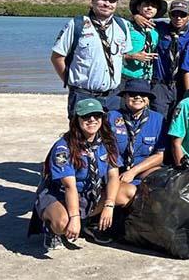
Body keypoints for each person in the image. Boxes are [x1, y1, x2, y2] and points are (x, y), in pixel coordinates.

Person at [32, 99, 133, 250]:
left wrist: (109, 205)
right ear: (76, 120)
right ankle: (51, 230)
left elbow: (113, 176)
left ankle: (91, 224)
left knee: (129, 192)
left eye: (96, 115)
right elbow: (68, 187)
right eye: (86, 116)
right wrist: (74, 217)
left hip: (91, 194)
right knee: (63, 224)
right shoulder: (63, 147)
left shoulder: (108, 142)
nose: (92, 120)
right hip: (60, 195)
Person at [51, 0, 132, 114]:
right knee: (81, 134)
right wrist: (71, 83)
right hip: (83, 95)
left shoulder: (122, 25)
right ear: (93, 0)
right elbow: (57, 57)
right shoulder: (77, 24)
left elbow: (122, 55)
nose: (107, 4)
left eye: (112, 1)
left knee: (113, 134)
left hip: (113, 97)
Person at [146, 0, 189, 120]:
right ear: (169, 15)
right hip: (161, 85)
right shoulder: (159, 28)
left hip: (183, 85)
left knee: (181, 121)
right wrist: (136, 16)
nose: (178, 18)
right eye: (174, 14)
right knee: (158, 120)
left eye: (183, 15)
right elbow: (138, 21)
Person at [108, 80, 165, 186]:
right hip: (116, 173)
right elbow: (106, 151)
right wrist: (117, 176)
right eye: (133, 94)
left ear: (148, 100)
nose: (138, 97)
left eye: (143, 94)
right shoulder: (111, 117)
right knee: (128, 192)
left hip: (142, 170)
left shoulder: (158, 119)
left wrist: (133, 172)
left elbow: (159, 155)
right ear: (125, 97)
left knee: (162, 178)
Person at [122, 0, 166, 83]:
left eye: (154, 6)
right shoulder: (126, 26)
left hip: (146, 78)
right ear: (138, 7)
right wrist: (132, 56)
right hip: (125, 77)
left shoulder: (156, 31)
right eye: (146, 4)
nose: (150, 8)